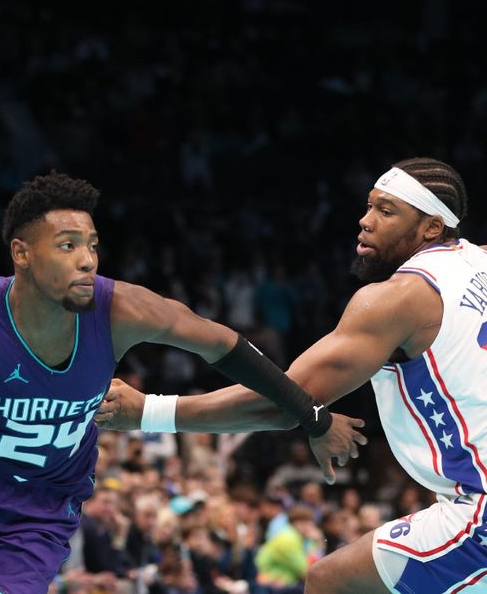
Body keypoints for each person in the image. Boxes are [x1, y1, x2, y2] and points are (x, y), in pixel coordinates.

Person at [0, 172, 360, 594]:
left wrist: (314, 417)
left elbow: (226, 346)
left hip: (43, 509)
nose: (87, 259)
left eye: (91, 244)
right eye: (67, 245)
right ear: (22, 254)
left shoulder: (123, 310)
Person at [98, 157, 485, 593]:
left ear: (432, 227)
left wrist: (146, 410)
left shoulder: (399, 298)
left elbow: (283, 400)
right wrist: (318, 422)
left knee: (332, 581)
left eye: (387, 211)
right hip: (466, 500)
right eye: (370, 205)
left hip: (478, 508)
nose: (365, 220)